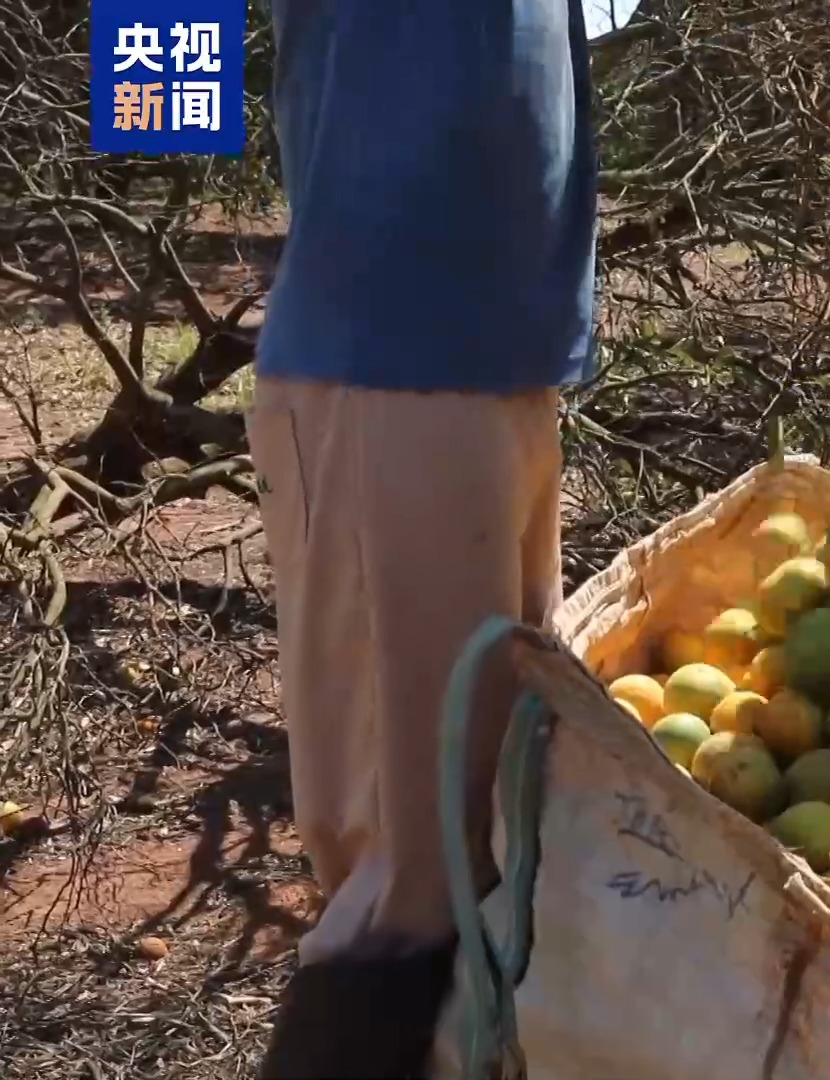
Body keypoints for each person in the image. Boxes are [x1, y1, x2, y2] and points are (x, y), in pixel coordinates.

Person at [245, 2, 597, 1076]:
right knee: (408, 882)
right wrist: (169, 131)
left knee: (493, 819)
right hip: (383, 351)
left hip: (502, 351)